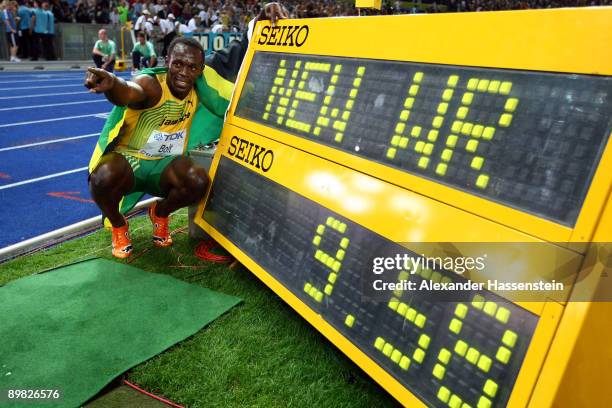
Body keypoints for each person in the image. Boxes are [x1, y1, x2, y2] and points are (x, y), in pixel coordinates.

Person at [84, 2, 287, 259]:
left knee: (199, 181)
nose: (184, 73)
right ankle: (119, 225)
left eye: (192, 68)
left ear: (200, 70)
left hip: (165, 165)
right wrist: (112, 82)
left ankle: (160, 213)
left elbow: (236, 56)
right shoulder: (151, 84)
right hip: (131, 161)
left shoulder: (201, 86)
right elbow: (127, 92)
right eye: (178, 64)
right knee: (102, 177)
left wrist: (259, 21)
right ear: (166, 61)